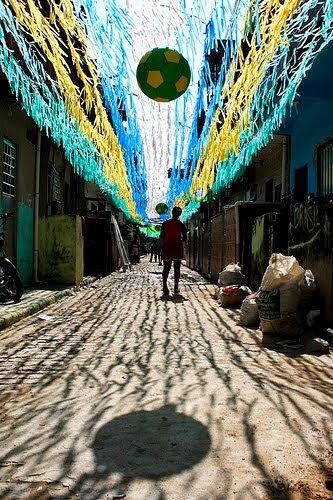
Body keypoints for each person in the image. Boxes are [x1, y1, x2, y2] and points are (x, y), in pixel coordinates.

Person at [160, 206, 187, 295]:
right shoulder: (181, 225)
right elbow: (185, 237)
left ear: (172, 213)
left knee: (166, 268)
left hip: (167, 247)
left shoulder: (165, 224)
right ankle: (176, 287)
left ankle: (164, 285)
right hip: (177, 248)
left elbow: (162, 236)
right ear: (180, 215)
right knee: (177, 268)